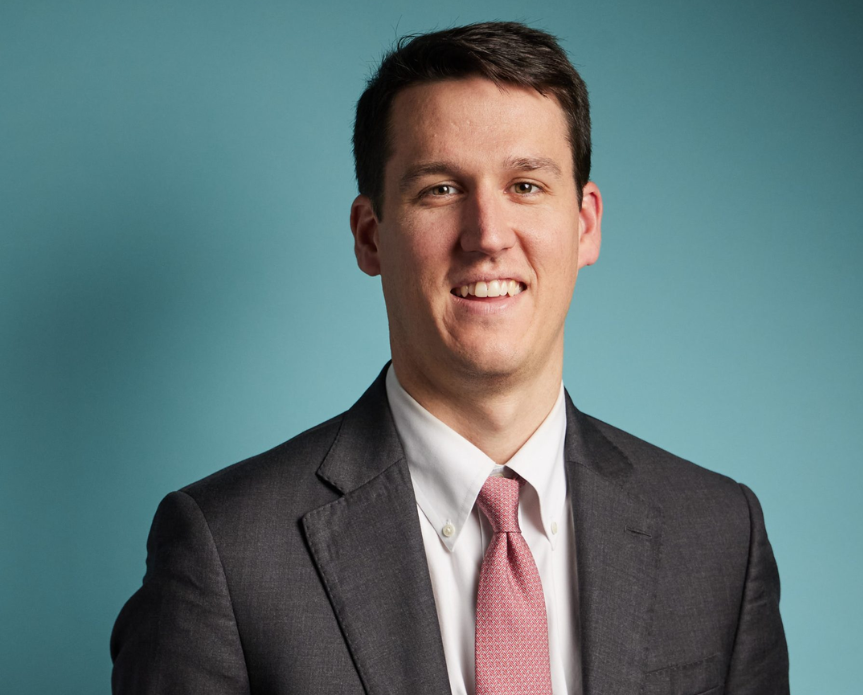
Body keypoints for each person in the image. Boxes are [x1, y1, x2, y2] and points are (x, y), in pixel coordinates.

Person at [111, 21, 789, 695]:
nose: (488, 235)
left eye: (526, 185)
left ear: (585, 224)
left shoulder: (719, 538)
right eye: (440, 189)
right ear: (370, 236)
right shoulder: (225, 552)